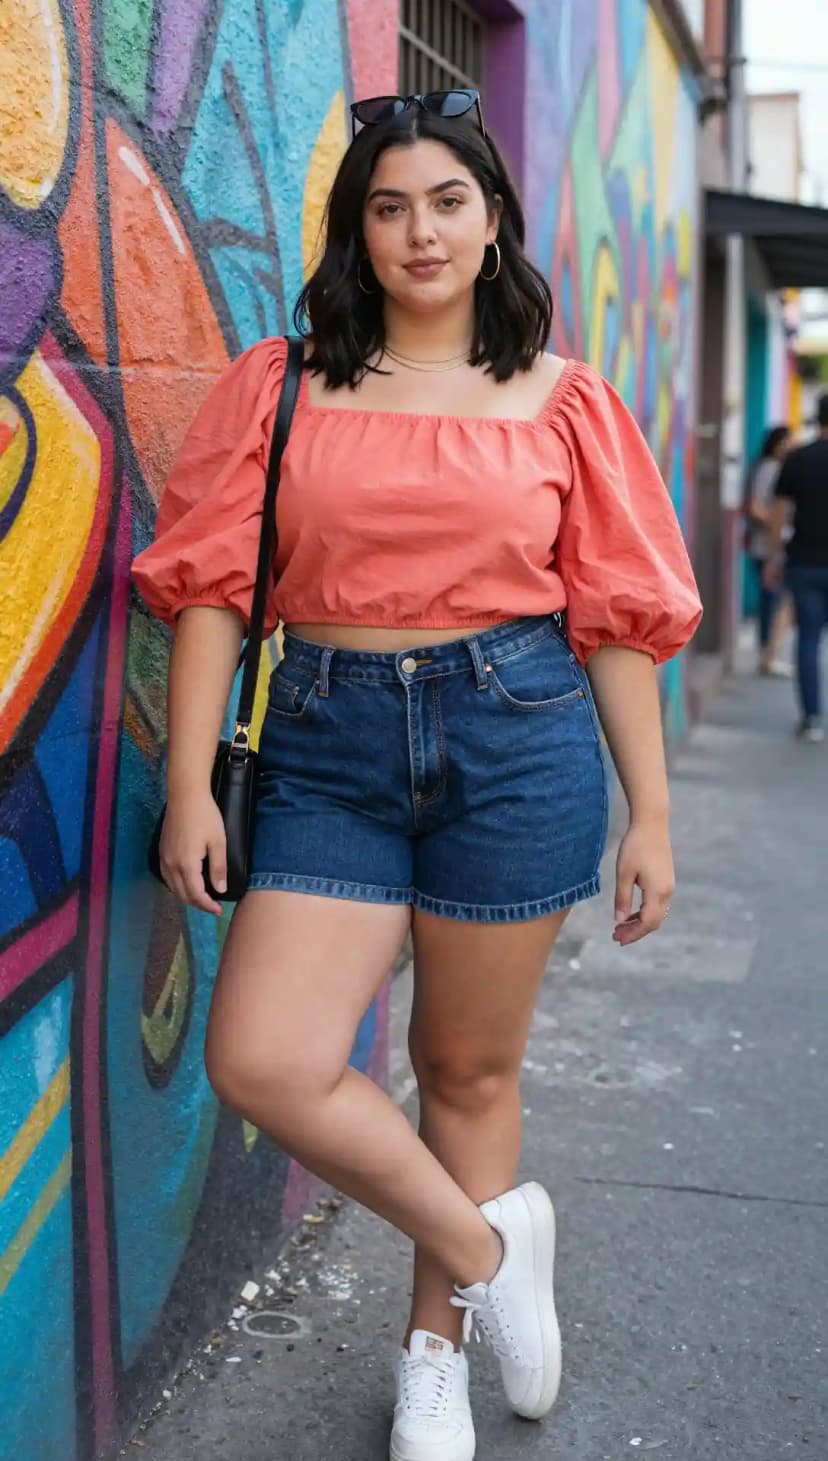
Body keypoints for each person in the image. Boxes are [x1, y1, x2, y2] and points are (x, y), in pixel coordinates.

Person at [132, 90, 702, 1461]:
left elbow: (617, 616)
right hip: (325, 732)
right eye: (388, 208)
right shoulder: (283, 383)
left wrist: (653, 815)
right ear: (358, 232)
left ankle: (431, 1356)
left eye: (447, 200)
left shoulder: (566, 403)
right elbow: (214, 588)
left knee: (463, 1066)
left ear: (493, 216)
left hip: (514, 731)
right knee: (265, 1055)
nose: (420, 231)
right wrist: (195, 784)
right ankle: (493, 1243)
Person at [767, 393, 828, 744]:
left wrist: (775, 557)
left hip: (804, 562)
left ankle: (812, 719)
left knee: (807, 639)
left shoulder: (798, 459)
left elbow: (779, 512)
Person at [745, 425, 793, 675]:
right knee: (772, 601)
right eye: (785, 442)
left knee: (772, 600)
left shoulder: (771, 468)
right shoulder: (769, 469)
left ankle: (767, 653)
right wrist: (780, 529)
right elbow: (755, 507)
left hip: (768, 546)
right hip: (767, 547)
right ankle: (766, 653)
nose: (789, 447)